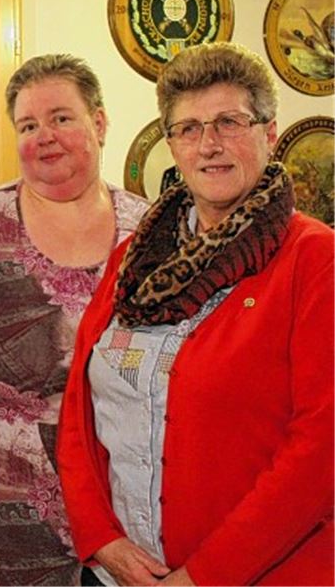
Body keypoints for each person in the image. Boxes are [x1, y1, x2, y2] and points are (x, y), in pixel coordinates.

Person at [58, 42, 334, 586]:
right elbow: (78, 407)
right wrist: (101, 538)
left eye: (229, 122)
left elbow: (320, 451)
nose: (209, 145)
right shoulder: (134, 257)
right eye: (188, 128)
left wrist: (203, 576)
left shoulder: (314, 258)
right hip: (122, 572)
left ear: (269, 133)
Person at [0, 54, 148, 585]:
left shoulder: (151, 230)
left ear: (99, 121)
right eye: (28, 125)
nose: (45, 136)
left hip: (118, 505)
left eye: (61, 118)